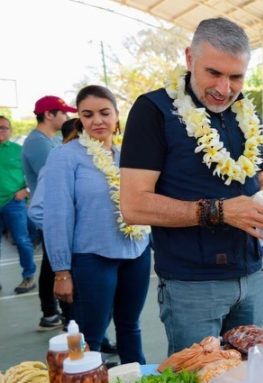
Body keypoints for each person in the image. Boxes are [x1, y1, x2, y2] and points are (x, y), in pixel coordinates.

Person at [119, 18, 263, 355]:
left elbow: (257, 179)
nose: (224, 89)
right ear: (190, 58)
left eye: (236, 77)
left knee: (251, 376)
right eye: (213, 73)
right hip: (193, 286)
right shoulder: (153, 110)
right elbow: (133, 205)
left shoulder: (245, 113)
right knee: (200, 382)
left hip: (252, 277)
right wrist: (220, 211)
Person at [38, 85, 151, 364]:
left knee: (130, 327)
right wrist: (61, 271)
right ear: (79, 118)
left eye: (104, 113)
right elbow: (57, 215)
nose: (97, 121)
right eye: (87, 115)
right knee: (90, 336)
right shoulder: (65, 156)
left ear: (117, 115)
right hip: (92, 258)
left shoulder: (129, 155)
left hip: (136, 253)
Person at [22, 95, 76, 326]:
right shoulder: (38, 143)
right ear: (48, 115)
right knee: (55, 265)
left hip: (55, 213)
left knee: (51, 264)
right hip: (50, 214)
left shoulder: (51, 140)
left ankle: (52, 312)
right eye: (63, 112)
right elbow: (56, 178)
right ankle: (55, 312)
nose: (67, 116)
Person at [0, 116, 35, 295]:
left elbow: (34, 174)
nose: (1, 131)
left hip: (14, 203)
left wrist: (26, 190)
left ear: (10, 130)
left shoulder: (19, 151)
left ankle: (28, 277)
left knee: (22, 240)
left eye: (4, 127)